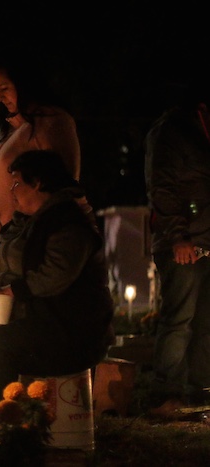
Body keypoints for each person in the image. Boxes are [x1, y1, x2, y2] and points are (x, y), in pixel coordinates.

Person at [0, 149, 113, 427]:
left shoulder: (69, 223)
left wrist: (8, 293)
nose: (11, 190)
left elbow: (54, 275)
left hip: (64, 329)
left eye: (16, 183)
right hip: (17, 320)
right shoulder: (17, 226)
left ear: (37, 182)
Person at [144, 76, 210, 418]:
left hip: (207, 242)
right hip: (183, 243)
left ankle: (198, 393)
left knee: (205, 323)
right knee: (179, 320)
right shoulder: (172, 131)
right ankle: (163, 395)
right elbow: (163, 187)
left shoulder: (200, 133)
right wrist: (178, 236)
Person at [0, 48, 82, 249]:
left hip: (30, 245)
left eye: (5, 88)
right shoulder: (6, 128)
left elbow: (67, 187)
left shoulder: (51, 122)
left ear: (23, 83)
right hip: (2, 245)